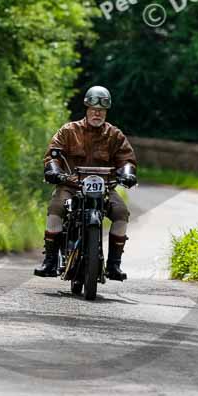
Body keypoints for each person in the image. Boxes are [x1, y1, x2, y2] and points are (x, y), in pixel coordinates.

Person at [34, 86, 137, 281]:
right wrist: (53, 170)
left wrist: (128, 173)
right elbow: (53, 154)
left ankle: (114, 265)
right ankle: (49, 262)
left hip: (104, 187)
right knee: (55, 209)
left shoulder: (115, 135)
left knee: (121, 213)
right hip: (71, 185)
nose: (97, 113)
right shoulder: (69, 131)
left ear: (106, 112)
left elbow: (127, 159)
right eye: (93, 109)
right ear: (86, 109)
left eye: (101, 110)